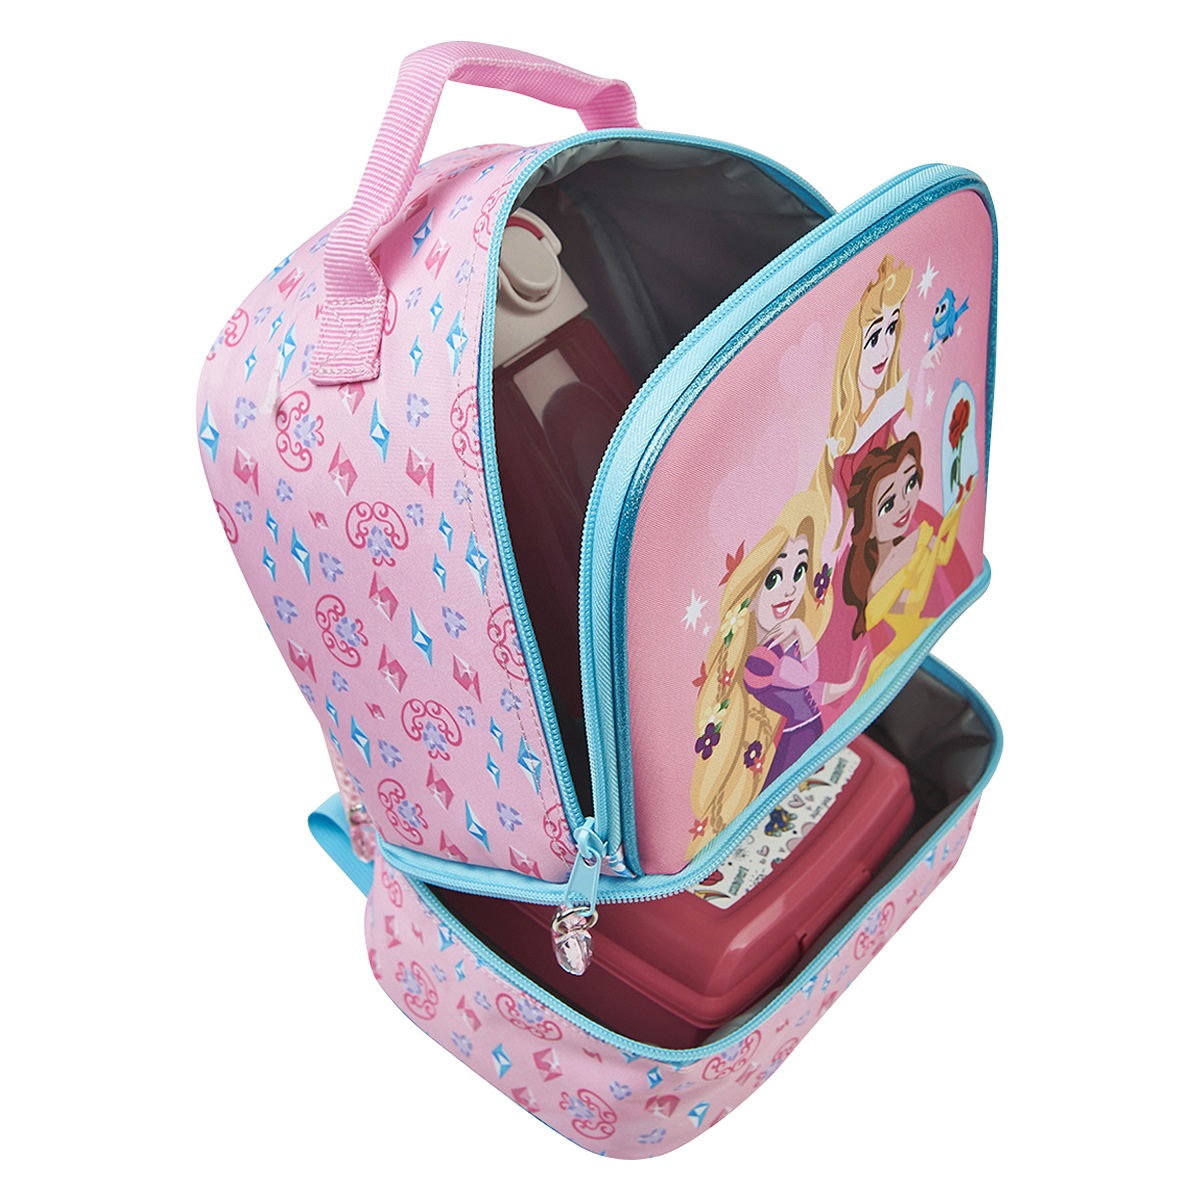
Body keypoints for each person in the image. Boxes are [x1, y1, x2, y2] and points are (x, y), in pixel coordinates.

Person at [687, 490, 864, 858]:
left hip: (808, 735)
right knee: (768, 805)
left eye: (799, 571)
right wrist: (800, 630)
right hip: (795, 741)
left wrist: (851, 681)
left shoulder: (777, 645)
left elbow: (810, 692)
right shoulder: (760, 661)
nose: (790, 589)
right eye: (773, 578)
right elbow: (806, 677)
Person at [841, 432, 973, 691]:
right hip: (891, 659)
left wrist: (957, 508)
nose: (903, 505)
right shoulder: (876, 583)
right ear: (868, 527)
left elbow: (943, 555)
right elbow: (903, 604)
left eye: (910, 484)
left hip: (916, 641)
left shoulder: (918, 538)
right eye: (887, 504)